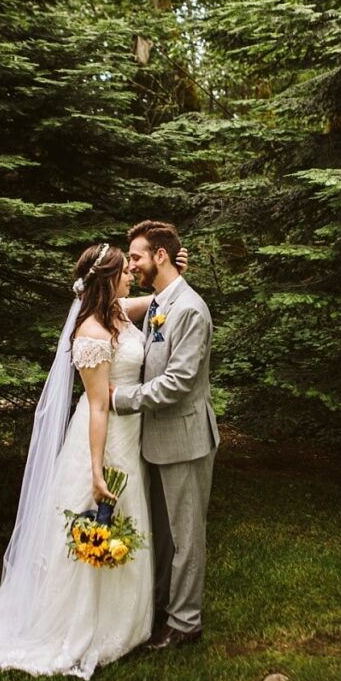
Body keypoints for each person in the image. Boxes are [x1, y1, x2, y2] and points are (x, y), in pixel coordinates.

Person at [0, 241, 186, 680]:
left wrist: (177, 271)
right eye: (124, 270)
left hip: (129, 437)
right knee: (97, 521)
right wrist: (95, 471)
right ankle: (87, 626)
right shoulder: (91, 331)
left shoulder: (118, 311)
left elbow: (159, 298)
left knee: (128, 522)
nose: (132, 272)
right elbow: (95, 407)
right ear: (109, 279)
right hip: (103, 442)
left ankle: (127, 620)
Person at [111, 220, 219, 651]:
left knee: (187, 535)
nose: (130, 263)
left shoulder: (190, 309)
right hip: (156, 439)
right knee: (164, 533)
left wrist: (122, 398)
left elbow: (177, 382)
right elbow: (104, 302)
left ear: (159, 256)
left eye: (136, 256)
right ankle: (159, 606)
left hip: (186, 439)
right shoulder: (161, 298)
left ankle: (186, 623)